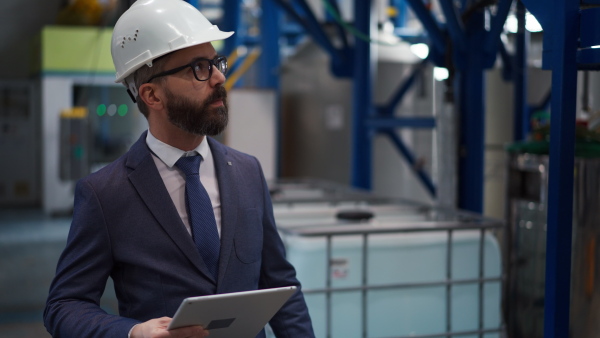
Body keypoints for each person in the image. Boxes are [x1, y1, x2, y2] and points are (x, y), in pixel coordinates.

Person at [43, 0, 315, 337]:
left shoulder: (248, 172)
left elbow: (281, 284)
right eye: (198, 68)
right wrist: (133, 333)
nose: (218, 78)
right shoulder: (105, 193)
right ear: (152, 95)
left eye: (217, 62)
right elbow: (64, 305)